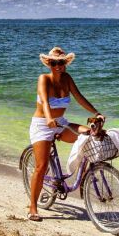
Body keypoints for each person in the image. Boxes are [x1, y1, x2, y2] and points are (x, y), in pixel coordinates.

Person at [28, 46, 105, 221]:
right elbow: (45, 102)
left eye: (61, 62)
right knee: (41, 167)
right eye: (54, 62)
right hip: (42, 125)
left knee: (90, 135)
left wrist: (96, 113)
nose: (58, 66)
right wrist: (48, 118)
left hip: (61, 123)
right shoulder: (43, 79)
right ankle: (33, 207)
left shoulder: (67, 79)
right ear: (49, 63)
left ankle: (85, 173)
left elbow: (79, 97)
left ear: (65, 64)